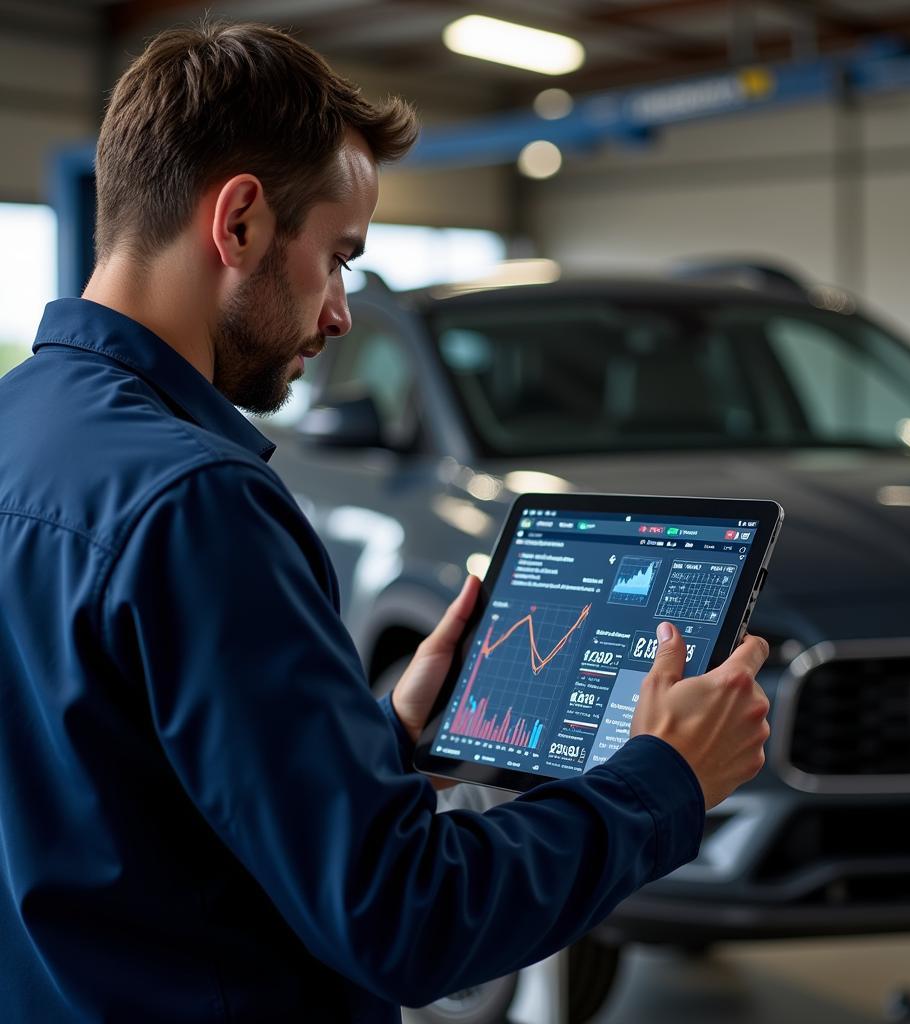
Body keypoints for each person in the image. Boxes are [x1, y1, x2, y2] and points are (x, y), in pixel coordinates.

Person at [0, 20, 771, 1024]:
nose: (340, 313)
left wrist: (374, 737)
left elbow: (116, 793)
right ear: (238, 223)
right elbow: (411, 920)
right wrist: (661, 778)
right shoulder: (197, 503)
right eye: (339, 258)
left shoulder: (21, 427)